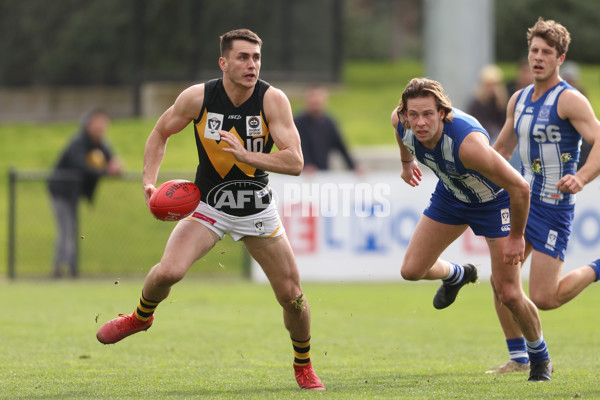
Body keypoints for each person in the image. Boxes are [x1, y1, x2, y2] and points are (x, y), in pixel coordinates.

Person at [95, 29, 325, 391]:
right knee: (168, 271)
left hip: (256, 210)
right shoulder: (197, 98)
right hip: (209, 206)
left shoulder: (272, 100)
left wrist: (247, 155)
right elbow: (159, 134)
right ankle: (140, 318)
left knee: (292, 297)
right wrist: (149, 182)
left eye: (256, 58)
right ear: (224, 62)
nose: (252, 65)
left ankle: (303, 364)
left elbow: (295, 161)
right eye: (243, 57)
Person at [392, 77, 553, 382]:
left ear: (443, 112)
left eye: (428, 114)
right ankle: (458, 275)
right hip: (452, 196)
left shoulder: (468, 146)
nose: (420, 122)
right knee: (411, 270)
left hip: (496, 203)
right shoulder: (400, 122)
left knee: (508, 291)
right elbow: (400, 134)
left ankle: (539, 357)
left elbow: (520, 188)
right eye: (413, 115)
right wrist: (405, 162)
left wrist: (517, 237)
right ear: (405, 114)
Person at [489, 17, 600, 375]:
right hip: (523, 202)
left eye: (546, 52)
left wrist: (582, 177)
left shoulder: (569, 99)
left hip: (554, 208)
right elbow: (501, 148)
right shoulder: (519, 99)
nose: (538, 57)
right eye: (534, 50)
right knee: (502, 281)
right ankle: (519, 357)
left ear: (560, 58)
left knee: (543, 297)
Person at [48, 107, 122, 278]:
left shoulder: (101, 143)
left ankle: (70, 268)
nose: (101, 128)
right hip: (61, 192)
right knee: (66, 230)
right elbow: (82, 166)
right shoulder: (78, 142)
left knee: (71, 230)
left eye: (104, 125)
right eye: (98, 124)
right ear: (88, 125)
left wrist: (116, 166)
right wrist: (106, 171)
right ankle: (59, 270)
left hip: (74, 194)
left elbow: (112, 160)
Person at [294, 85, 360, 173]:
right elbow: (296, 148)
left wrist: (354, 167)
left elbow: (341, 147)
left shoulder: (329, 122)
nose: (316, 100)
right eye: (312, 96)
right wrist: (306, 165)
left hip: (323, 174)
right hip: (301, 175)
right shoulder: (297, 122)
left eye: (319, 97)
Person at [466, 64, 508, 144]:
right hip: (484, 139)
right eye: (489, 84)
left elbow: (505, 122)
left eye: (495, 84)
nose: (492, 88)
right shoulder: (476, 104)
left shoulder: (502, 102)